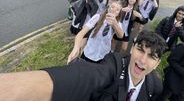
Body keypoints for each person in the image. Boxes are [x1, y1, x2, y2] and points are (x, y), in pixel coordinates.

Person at [0, 30, 167, 101]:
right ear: (133, 47)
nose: (143, 60)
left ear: (158, 62)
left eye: (151, 56)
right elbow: (86, 76)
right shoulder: (113, 65)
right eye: (140, 50)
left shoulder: (156, 86)